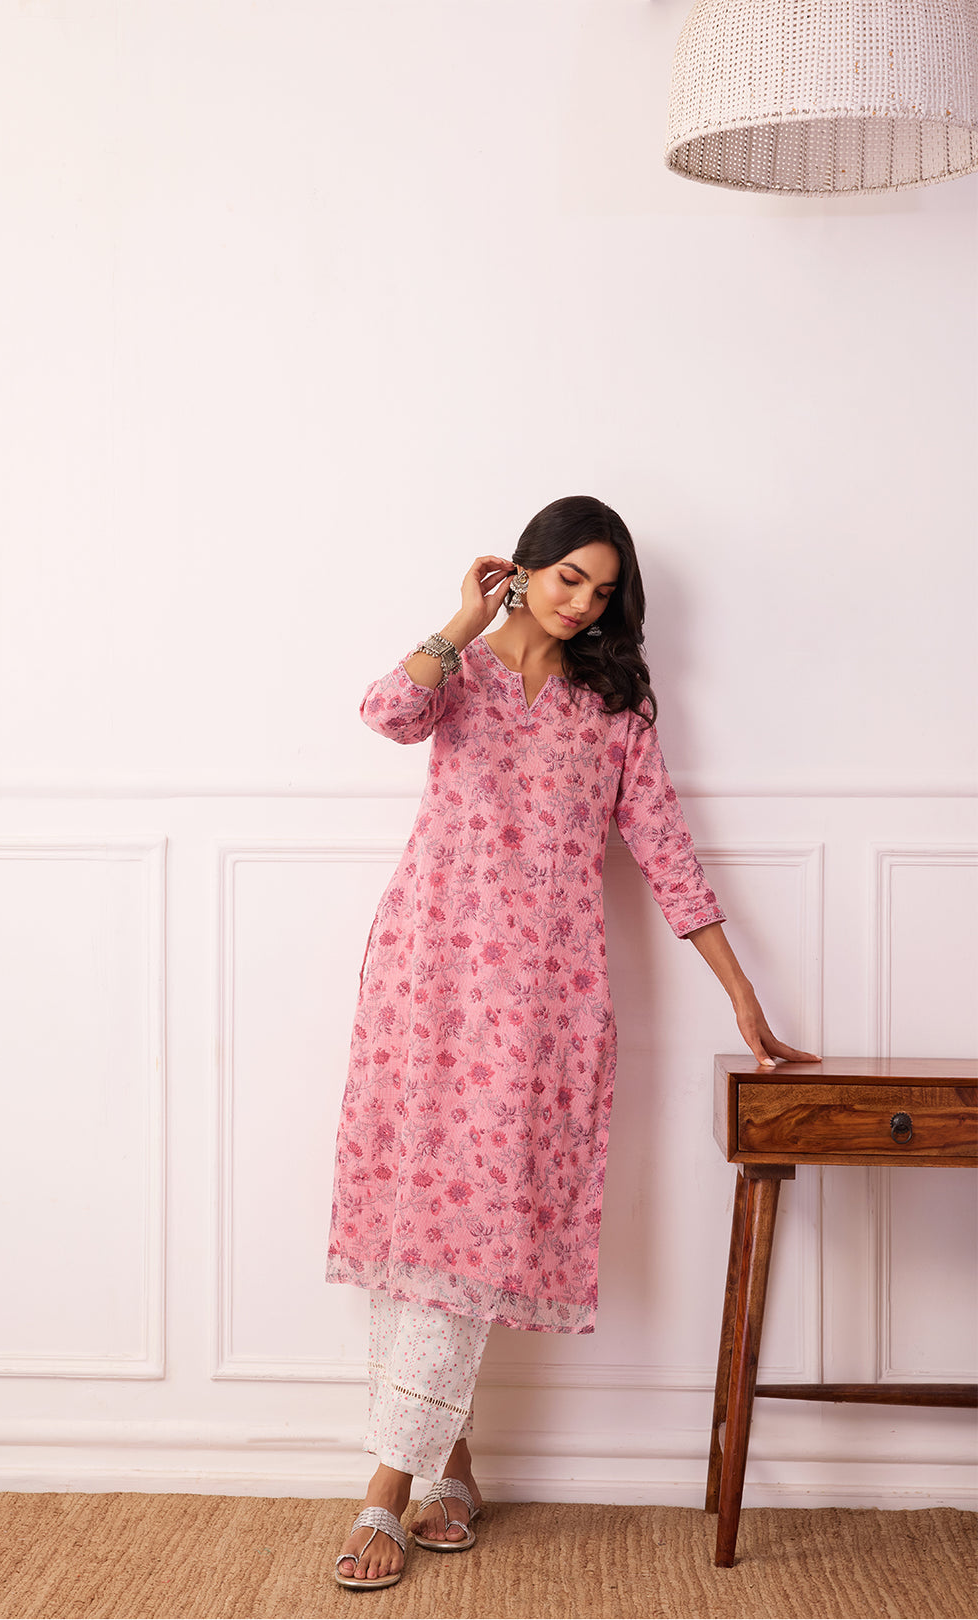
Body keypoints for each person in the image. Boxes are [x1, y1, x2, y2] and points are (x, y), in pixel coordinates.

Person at [326, 495, 816, 1589]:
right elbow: (384, 713)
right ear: (525, 567)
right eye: (569, 578)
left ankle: (384, 1493)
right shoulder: (458, 675)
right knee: (417, 1222)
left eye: (604, 591)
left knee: (472, 1227)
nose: (585, 603)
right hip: (424, 977)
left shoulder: (613, 708)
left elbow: (667, 852)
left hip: (539, 1003)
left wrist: (741, 994)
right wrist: (461, 620)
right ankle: (444, 1472)